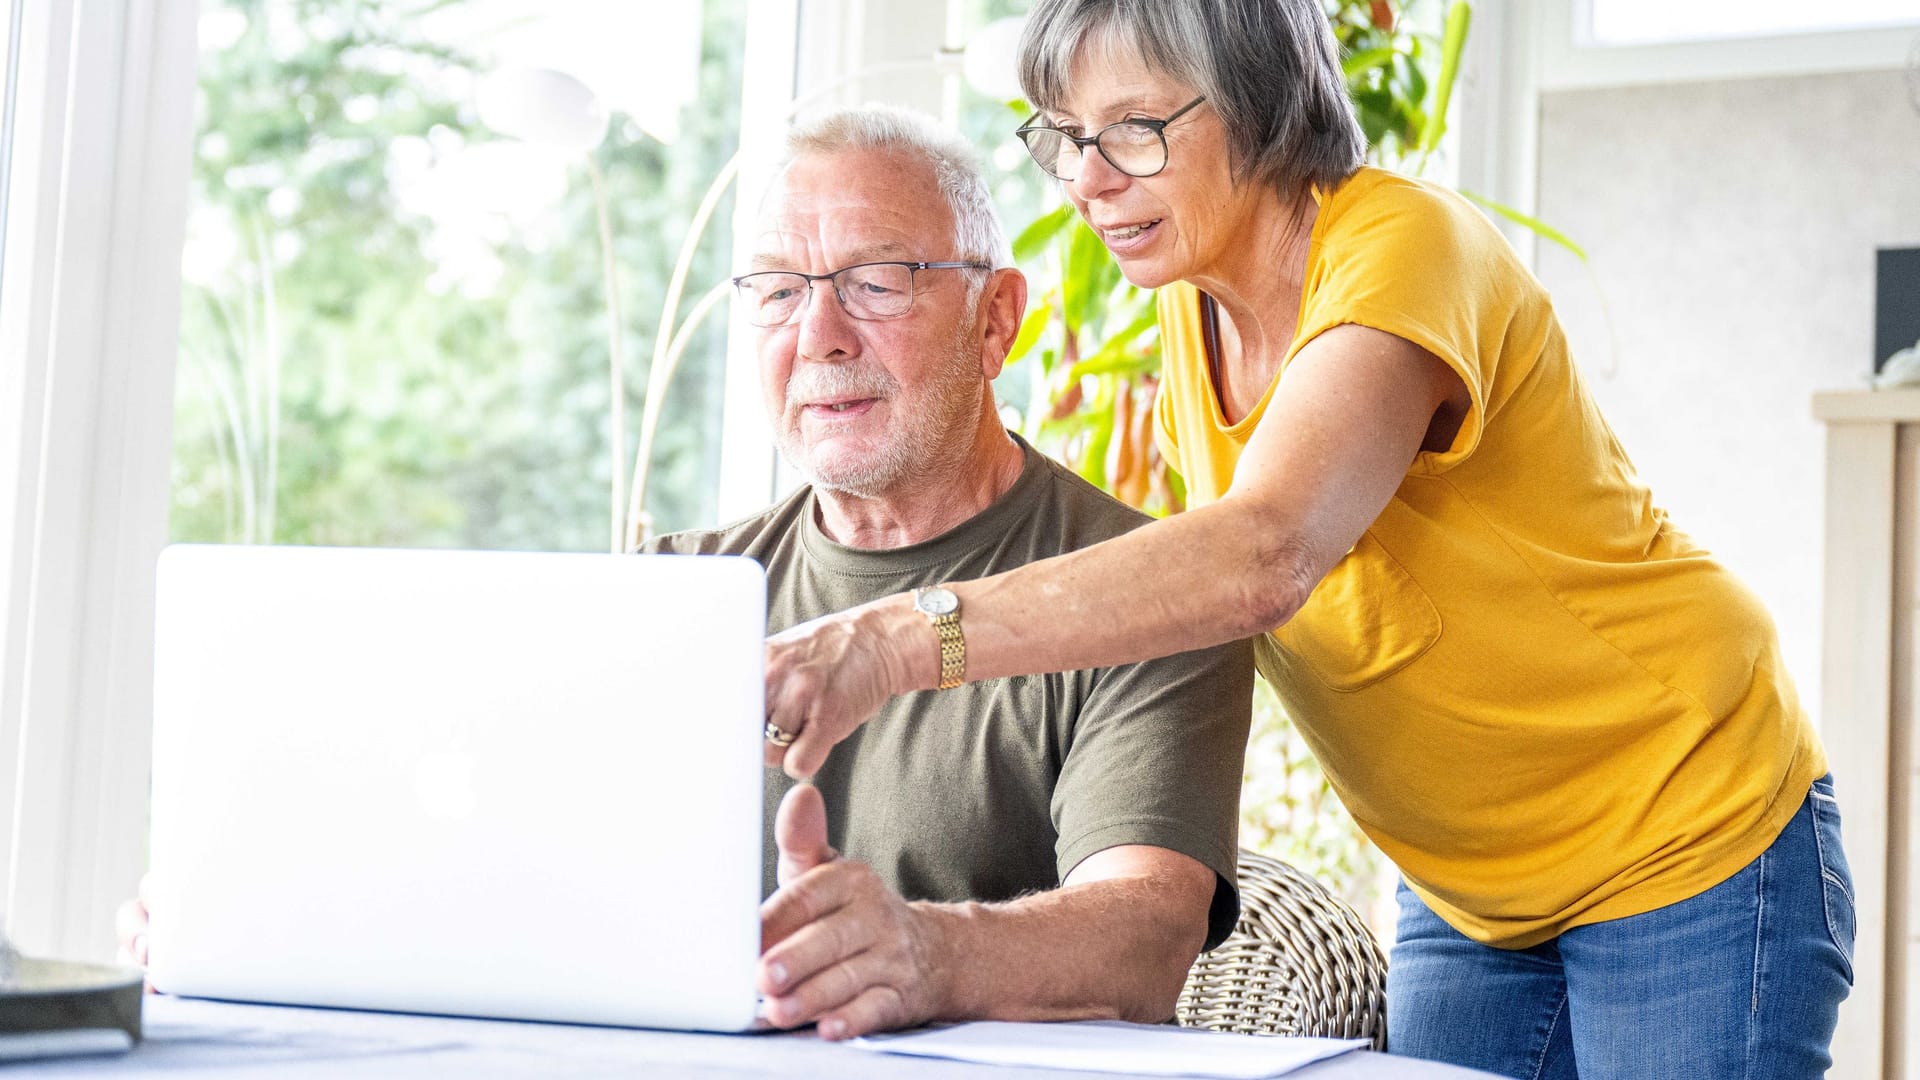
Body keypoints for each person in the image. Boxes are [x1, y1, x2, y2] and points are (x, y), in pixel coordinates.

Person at [756, 2, 1855, 1077]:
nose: (1088, 181)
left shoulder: (1401, 247)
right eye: (1069, 139)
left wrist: (901, 640)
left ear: (1259, 100)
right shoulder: (1194, 307)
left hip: (1685, 827)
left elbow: (1264, 551)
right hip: (1472, 887)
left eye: (1133, 131)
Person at [119, 104, 1255, 1044]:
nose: (818, 335)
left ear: (997, 317)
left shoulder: (1145, 589)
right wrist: (263, 912)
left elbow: (1144, 938)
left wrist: (930, 952)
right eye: (775, 289)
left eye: (876, 280)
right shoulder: (671, 595)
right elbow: (499, 875)